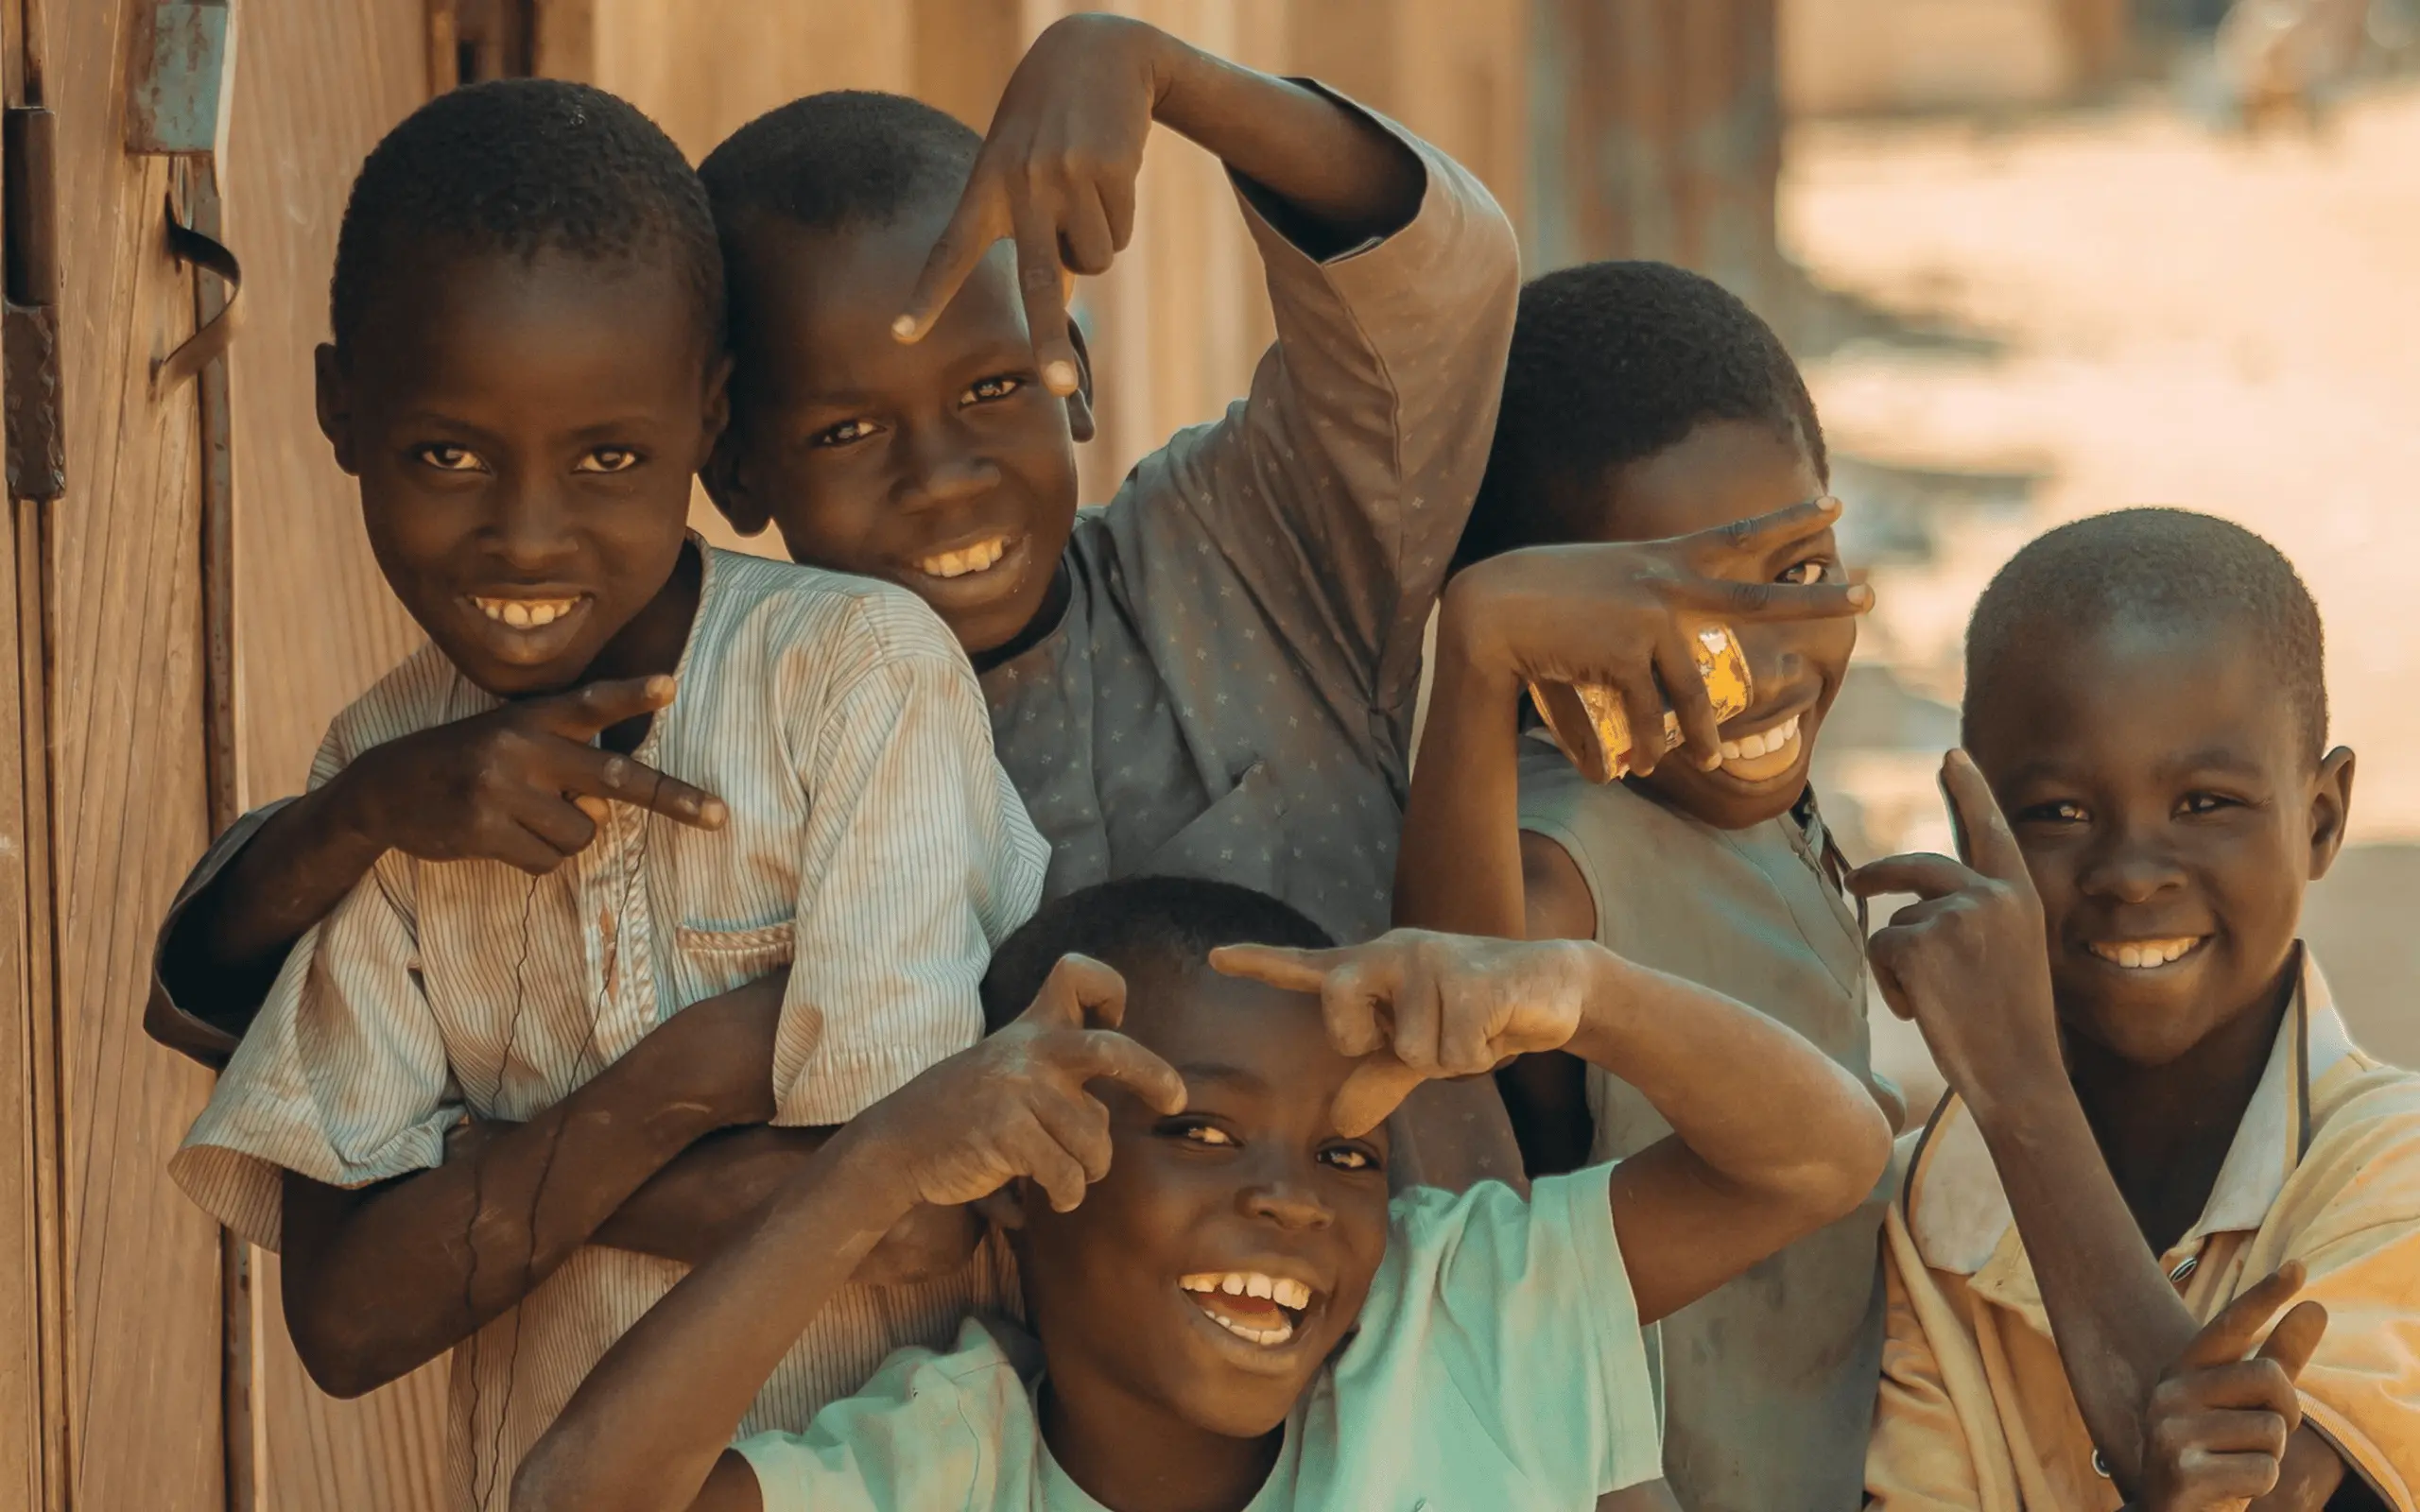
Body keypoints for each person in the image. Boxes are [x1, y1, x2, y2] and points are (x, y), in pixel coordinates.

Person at [145, 10, 1522, 1189]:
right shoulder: (717, 739)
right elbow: (243, 980)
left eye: (994, 390)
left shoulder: (1255, 559)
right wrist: (367, 813)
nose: (940, 477)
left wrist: (1156, 65)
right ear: (729, 462)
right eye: (845, 433)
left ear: (1074, 368)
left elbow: (1440, 288)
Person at [164, 80, 1045, 1510]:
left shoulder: (852, 677)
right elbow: (345, 1322)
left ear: (707, 418)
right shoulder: (393, 777)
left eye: (609, 460)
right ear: (340, 409)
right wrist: (680, 1088)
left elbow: (908, 1222)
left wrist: (474, 1189)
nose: (525, 535)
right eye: (448, 455)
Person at [508, 876, 1896, 1512]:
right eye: (1209, 1135)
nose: (1296, 1202)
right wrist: (873, 1167)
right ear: (1014, 1177)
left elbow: (1825, 1155)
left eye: (1349, 1155)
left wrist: (1583, 994)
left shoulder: (1457, 1310)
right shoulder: (942, 1467)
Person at [1395, 260, 1893, 1511]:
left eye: (1793, 571)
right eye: (1673, 627)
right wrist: (1479, 653)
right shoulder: (1565, 858)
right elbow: (1462, 989)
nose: (1760, 670)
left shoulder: (1741, 790)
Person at [1858, 509, 2419, 1509]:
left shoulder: (2393, 1167)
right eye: (2058, 813)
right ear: (1972, 831)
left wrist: (2021, 1089)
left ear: (2322, 817)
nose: (2130, 874)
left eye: (2204, 803)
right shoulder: (1914, 1212)